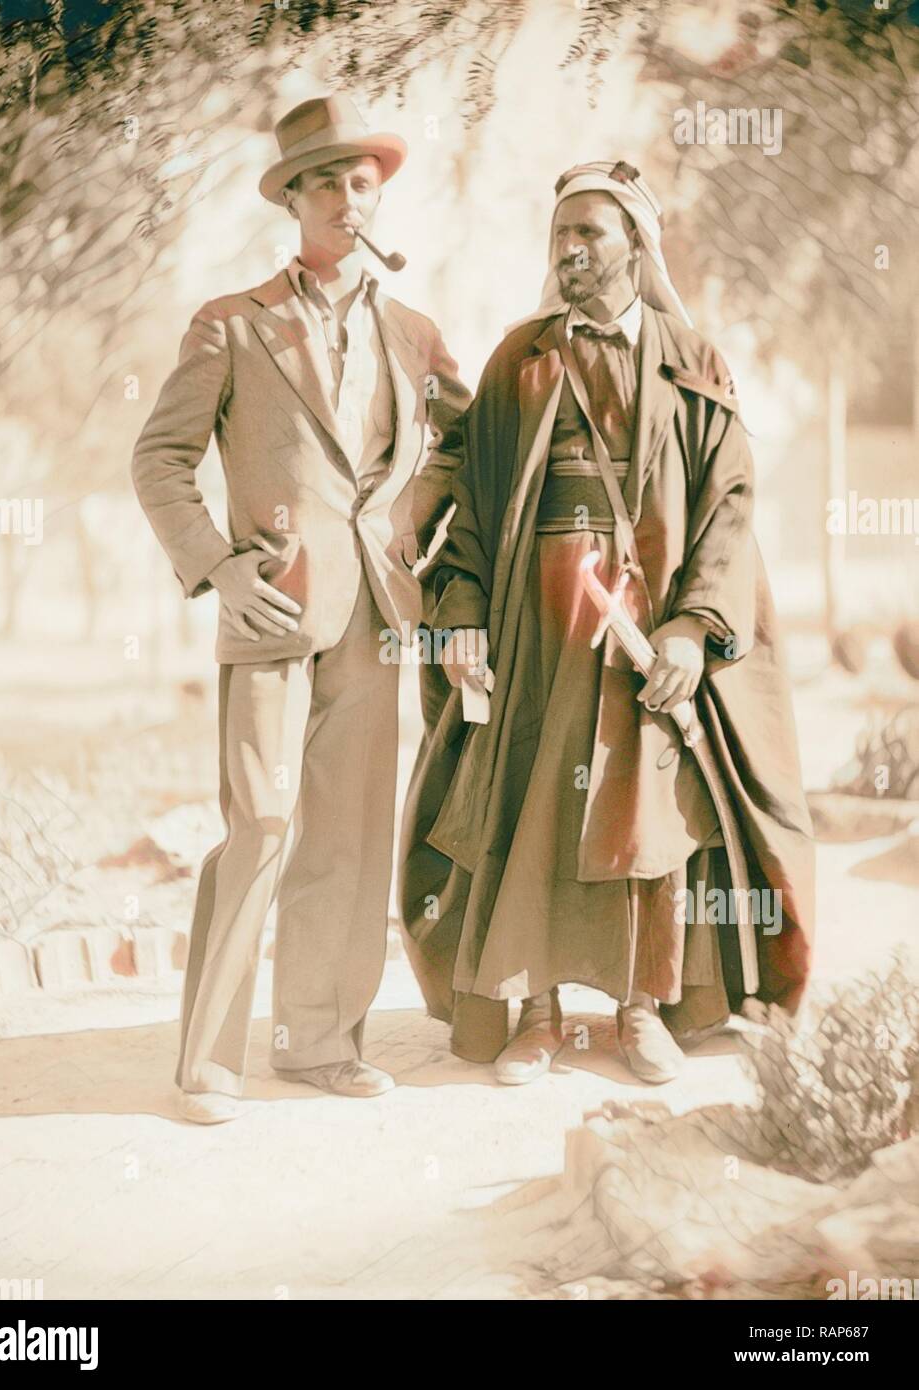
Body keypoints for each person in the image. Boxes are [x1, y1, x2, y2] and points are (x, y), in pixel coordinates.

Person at [400, 159, 814, 1087]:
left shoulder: (694, 358)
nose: (573, 248)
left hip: (647, 617)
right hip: (534, 618)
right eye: (562, 235)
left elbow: (729, 503)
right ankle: (538, 1016)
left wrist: (692, 627)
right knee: (534, 803)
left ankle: (641, 1013)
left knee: (645, 814)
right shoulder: (520, 356)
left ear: (637, 242)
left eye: (592, 231)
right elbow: (469, 499)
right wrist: (462, 612)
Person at [132, 95, 470, 1122]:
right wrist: (219, 567)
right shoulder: (232, 323)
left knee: (350, 839)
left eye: (360, 179)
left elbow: (462, 444)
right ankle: (210, 1061)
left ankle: (318, 1043)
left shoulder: (415, 332)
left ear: (378, 196)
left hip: (376, 615)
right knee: (264, 824)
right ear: (293, 199)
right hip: (271, 615)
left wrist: (413, 522)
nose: (344, 195)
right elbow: (160, 459)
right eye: (322, 179)